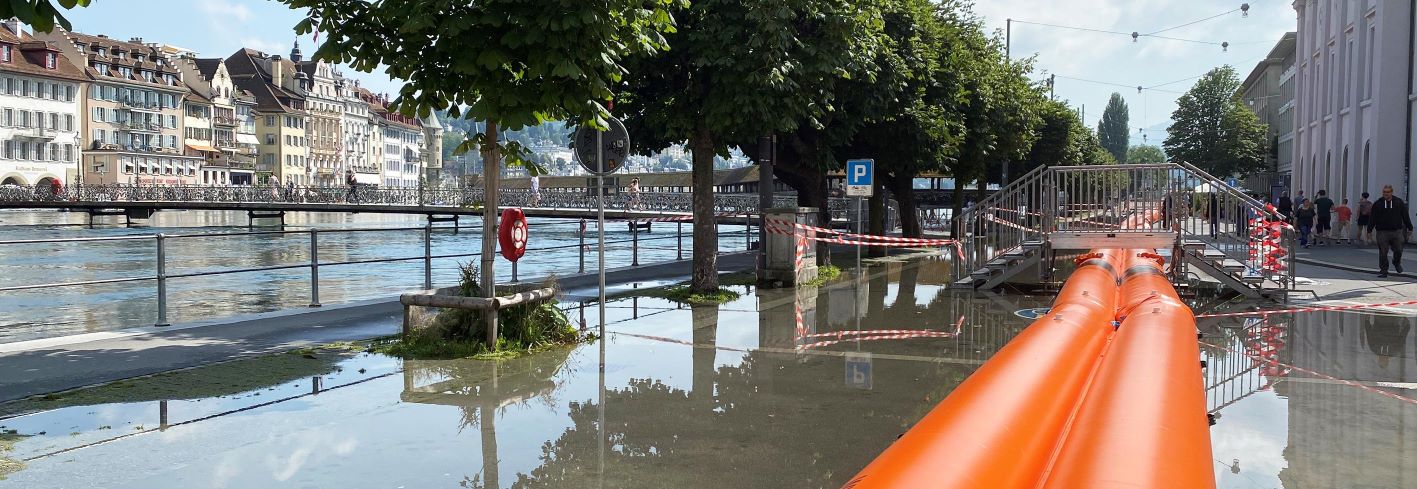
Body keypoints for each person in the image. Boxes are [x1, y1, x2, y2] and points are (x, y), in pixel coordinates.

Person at [1367, 185, 1413, 277]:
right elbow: (1373, 218)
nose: (1385, 194)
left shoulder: (1398, 202)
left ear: (1391, 192)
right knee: (1383, 252)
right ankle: (1384, 270)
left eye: (1387, 192)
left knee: (1399, 250)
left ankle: (1396, 262)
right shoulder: (1378, 203)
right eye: (1384, 192)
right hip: (1382, 232)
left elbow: (1405, 215)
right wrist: (1369, 231)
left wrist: (1410, 227)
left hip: (1396, 231)